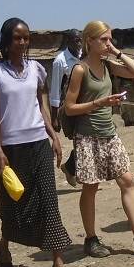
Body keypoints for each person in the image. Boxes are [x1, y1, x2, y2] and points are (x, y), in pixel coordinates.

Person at [0, 17, 77, 267]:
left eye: (26, 38)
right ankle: (3, 245)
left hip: (38, 143)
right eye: (17, 37)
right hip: (11, 148)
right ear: (6, 41)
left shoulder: (36, 69)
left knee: (49, 200)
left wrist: (53, 134)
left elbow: (42, 104)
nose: (22, 42)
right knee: (14, 202)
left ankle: (58, 262)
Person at [63, 20, 134, 258]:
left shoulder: (108, 65)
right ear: (89, 41)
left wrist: (117, 52)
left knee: (127, 180)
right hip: (88, 137)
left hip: (109, 134)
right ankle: (91, 239)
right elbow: (69, 108)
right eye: (104, 40)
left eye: (110, 39)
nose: (108, 44)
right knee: (91, 188)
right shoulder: (80, 70)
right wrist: (100, 103)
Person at [49, 29, 81, 187]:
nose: (78, 43)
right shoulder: (60, 61)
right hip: (69, 107)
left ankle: (71, 168)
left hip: (86, 104)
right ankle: (73, 169)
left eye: (80, 40)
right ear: (68, 41)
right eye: (75, 40)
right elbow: (55, 90)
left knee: (86, 138)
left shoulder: (84, 56)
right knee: (81, 139)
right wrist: (54, 117)